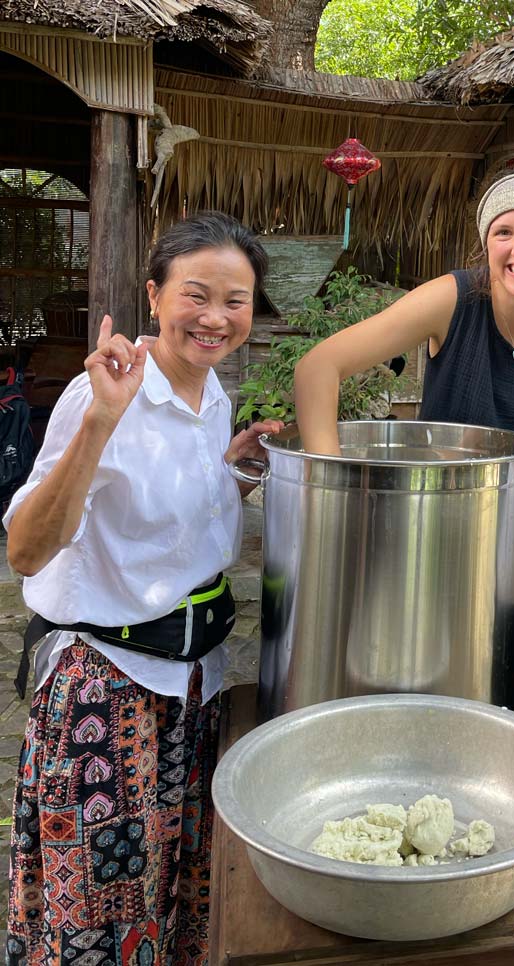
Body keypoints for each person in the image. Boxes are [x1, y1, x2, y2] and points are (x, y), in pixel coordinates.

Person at [4, 211, 282, 965]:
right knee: (98, 913)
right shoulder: (104, 394)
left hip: (194, 685)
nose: (215, 318)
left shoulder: (213, 395)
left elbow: (174, 532)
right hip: (107, 691)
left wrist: (237, 471)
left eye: (235, 301)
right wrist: (99, 422)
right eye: (197, 295)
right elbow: (27, 549)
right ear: (154, 296)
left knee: (178, 888)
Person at [295, 168, 514, 586]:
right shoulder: (452, 300)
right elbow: (317, 367)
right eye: (504, 232)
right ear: (486, 244)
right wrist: (331, 490)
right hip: (441, 525)